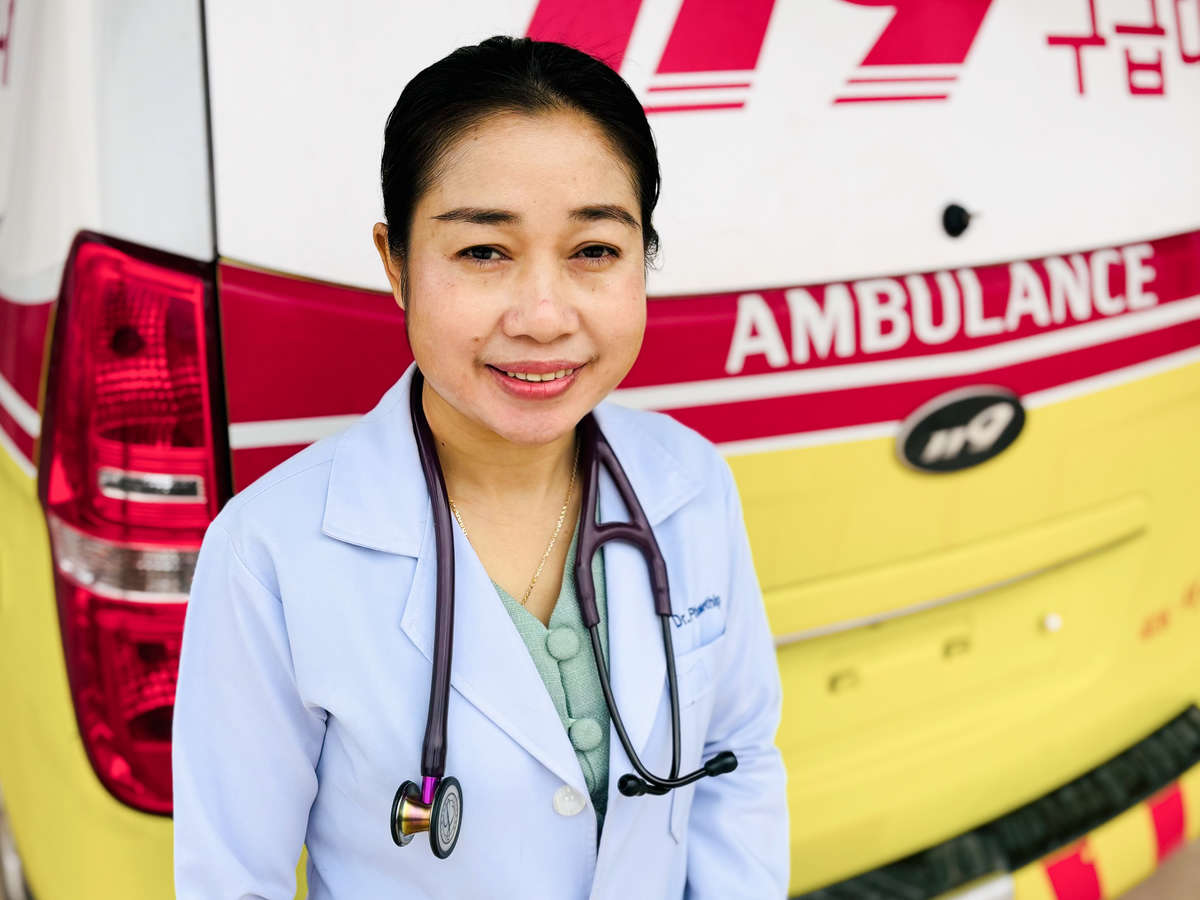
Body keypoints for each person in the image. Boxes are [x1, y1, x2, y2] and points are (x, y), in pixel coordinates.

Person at [172, 35, 788, 899]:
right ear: (396, 262)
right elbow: (236, 881)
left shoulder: (689, 484)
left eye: (595, 251)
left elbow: (739, 759)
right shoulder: (269, 553)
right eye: (483, 253)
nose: (543, 317)